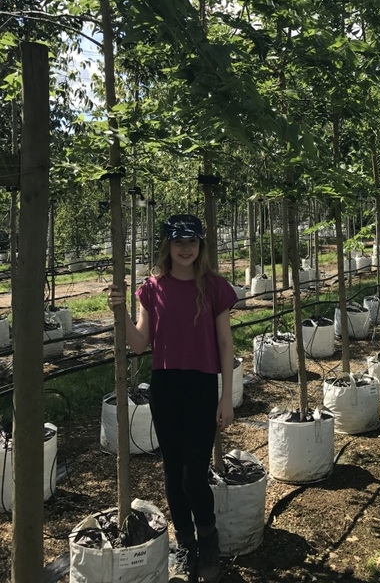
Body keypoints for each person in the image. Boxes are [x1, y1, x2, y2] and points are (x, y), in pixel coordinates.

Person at [108, 214, 237, 583]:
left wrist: (226, 397)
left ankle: (208, 539)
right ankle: (186, 544)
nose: (185, 248)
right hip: (164, 386)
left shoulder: (214, 287)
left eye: (192, 241)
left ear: (201, 246)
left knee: (192, 472)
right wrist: (119, 310)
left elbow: (226, 344)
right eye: (178, 241)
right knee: (171, 471)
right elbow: (139, 343)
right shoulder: (152, 288)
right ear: (167, 245)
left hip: (200, 386)